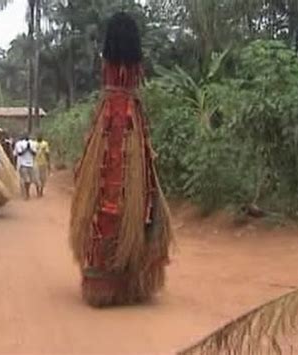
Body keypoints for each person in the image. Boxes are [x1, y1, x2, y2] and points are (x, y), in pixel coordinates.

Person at [69, 12, 174, 307]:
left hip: (109, 121)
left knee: (104, 192)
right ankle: (132, 283)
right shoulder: (136, 67)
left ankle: (103, 283)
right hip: (131, 123)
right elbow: (135, 80)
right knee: (139, 199)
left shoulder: (108, 65)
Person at [13, 133, 37, 199]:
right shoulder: (19, 144)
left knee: (29, 180)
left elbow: (35, 153)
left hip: (31, 164)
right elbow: (20, 153)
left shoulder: (33, 143)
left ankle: (25, 192)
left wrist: (30, 149)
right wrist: (26, 148)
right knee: (26, 180)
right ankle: (27, 193)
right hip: (23, 164)